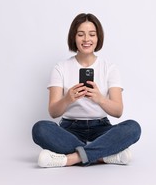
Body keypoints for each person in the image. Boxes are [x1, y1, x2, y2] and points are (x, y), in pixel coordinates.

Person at [32, 13, 141, 167]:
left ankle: (71, 159)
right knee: (40, 129)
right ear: (73, 37)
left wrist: (100, 99)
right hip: (70, 129)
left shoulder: (109, 68)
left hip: (101, 128)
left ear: (98, 38)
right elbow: (53, 112)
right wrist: (67, 99)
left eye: (92, 34)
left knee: (133, 128)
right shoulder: (60, 68)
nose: (86, 39)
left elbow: (118, 111)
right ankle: (103, 156)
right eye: (80, 34)